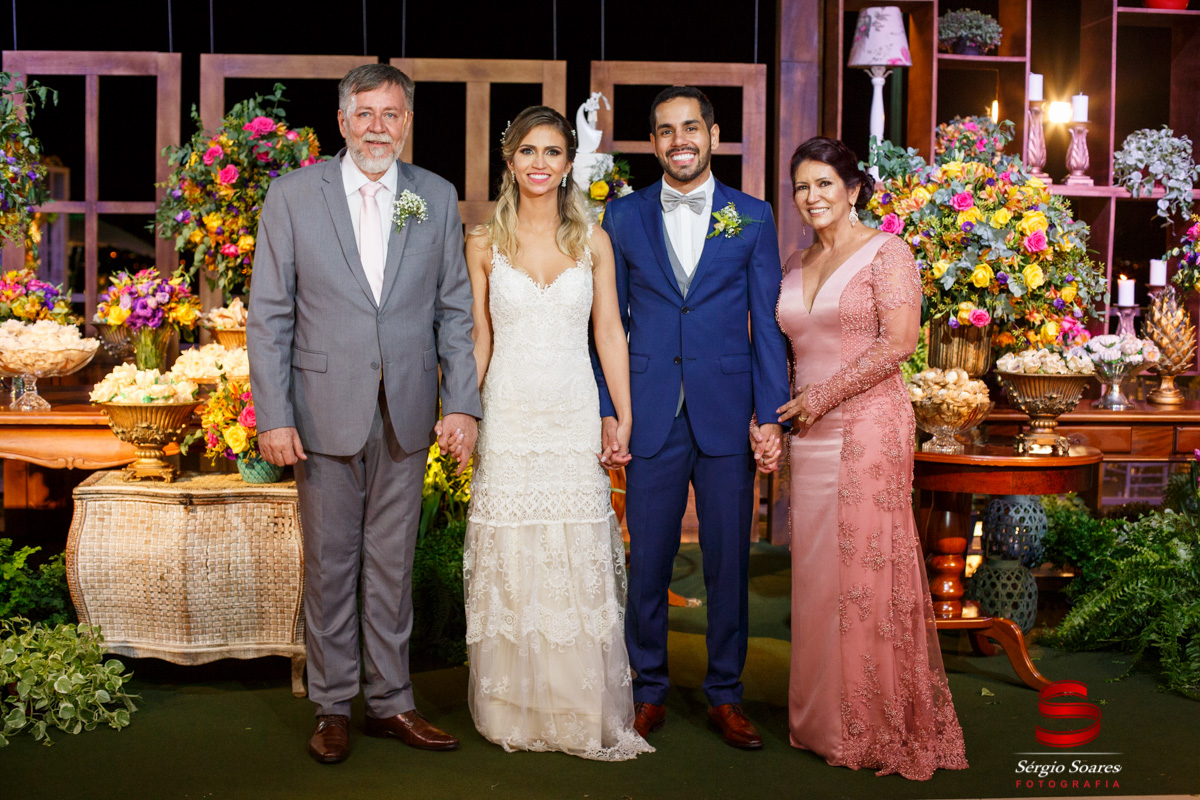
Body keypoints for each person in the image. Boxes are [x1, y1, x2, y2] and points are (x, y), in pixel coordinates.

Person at [247, 64, 481, 765]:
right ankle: (331, 706)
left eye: (392, 114)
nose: (379, 127)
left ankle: (391, 702)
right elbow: (269, 316)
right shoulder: (293, 196)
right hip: (321, 414)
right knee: (329, 567)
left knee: (391, 566)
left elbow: (454, 312)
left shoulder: (434, 196)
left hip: (406, 414)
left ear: (407, 122)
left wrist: (462, 403)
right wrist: (273, 416)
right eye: (366, 113)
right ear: (343, 121)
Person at [595, 86, 790, 749]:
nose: (679, 140)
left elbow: (767, 324)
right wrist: (609, 410)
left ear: (713, 135)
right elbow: (607, 325)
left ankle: (725, 694)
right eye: (665, 130)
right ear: (653, 142)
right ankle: (647, 689)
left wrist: (770, 416)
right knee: (647, 560)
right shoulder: (622, 217)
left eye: (690, 128)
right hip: (649, 411)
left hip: (728, 413)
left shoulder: (753, 216)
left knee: (728, 563)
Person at [461, 105, 651, 761]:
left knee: (573, 554)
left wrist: (622, 413)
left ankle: (575, 705)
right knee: (513, 557)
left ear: (569, 163)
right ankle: (512, 707)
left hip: (572, 412)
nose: (539, 163)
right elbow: (480, 340)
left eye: (551, 152)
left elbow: (610, 334)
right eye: (527, 151)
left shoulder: (592, 241)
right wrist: (462, 413)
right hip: (509, 413)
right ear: (510, 160)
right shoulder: (482, 243)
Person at [775, 136, 968, 779]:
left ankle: (871, 722)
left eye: (824, 184)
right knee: (817, 574)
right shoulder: (796, 261)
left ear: (853, 189)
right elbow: (788, 351)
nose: (813, 197)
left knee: (862, 572)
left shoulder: (889, 252)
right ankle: (817, 719)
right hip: (809, 435)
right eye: (802, 187)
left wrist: (819, 398)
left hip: (868, 427)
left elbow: (900, 343)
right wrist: (775, 416)